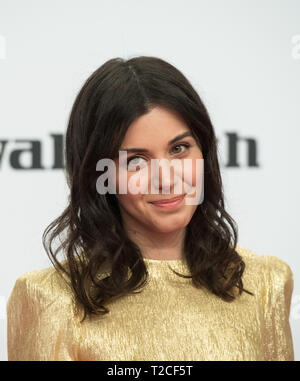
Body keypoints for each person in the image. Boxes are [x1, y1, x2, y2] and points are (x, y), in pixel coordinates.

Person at [6, 56, 294, 361]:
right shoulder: (50, 299)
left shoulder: (265, 283)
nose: (166, 180)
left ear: (205, 151)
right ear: (99, 174)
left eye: (179, 149)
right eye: (135, 161)